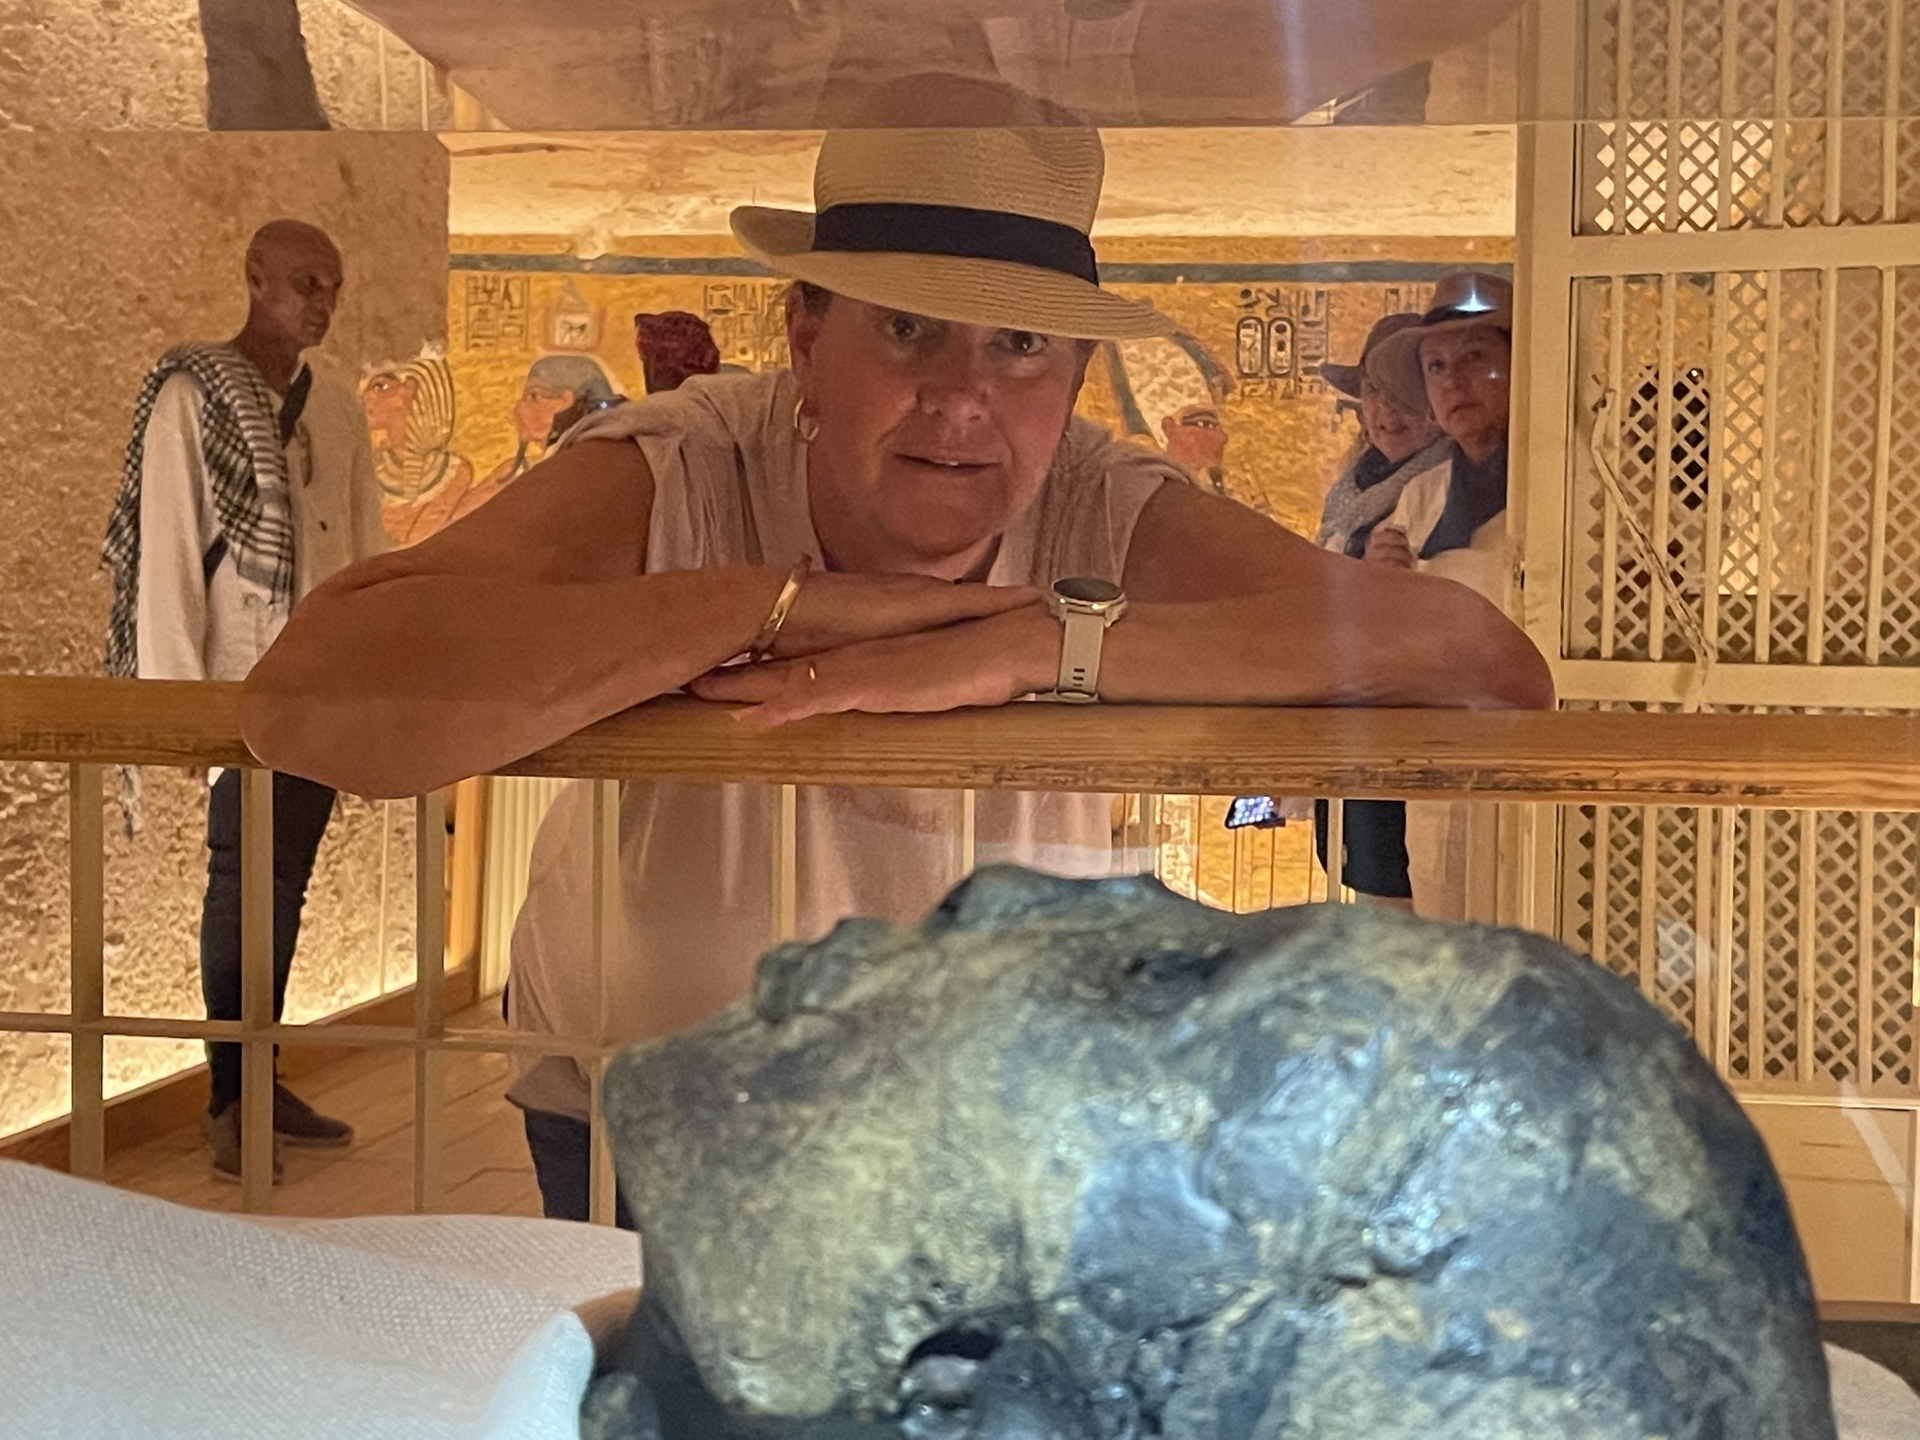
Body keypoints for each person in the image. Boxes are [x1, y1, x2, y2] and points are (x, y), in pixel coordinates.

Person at [238, 120, 1552, 1218]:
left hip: (985, 1125)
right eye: (911, 329)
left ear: (1074, 376)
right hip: (652, 1116)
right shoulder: (686, 466)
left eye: (1020, 344)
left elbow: (1480, 667)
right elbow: (313, 697)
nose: (963, 397)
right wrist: (766, 606)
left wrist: (1043, 644)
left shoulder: (1101, 504)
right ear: (807, 337)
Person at [101, 219, 384, 1182]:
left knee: (284, 884)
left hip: (321, 683)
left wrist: (370, 678)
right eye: (304, 282)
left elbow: (363, 554)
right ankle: (230, 1095)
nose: (320, 302)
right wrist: (179, 709)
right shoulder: (194, 397)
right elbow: (168, 555)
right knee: (241, 882)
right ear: (255, 278)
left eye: (333, 287)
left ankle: (260, 1073)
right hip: (237, 683)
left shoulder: (334, 408)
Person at [1363, 271, 1516, 919]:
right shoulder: (1419, 499)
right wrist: (1379, 584)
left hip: (1541, 757)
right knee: (1444, 927)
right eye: (1436, 367)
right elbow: (1385, 640)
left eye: (1475, 358)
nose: (1453, 382)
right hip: (1440, 762)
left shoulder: (1576, 482)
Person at [1307, 312, 1449, 908]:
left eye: (1404, 398)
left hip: (1407, 732)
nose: (1386, 413)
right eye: (1373, 392)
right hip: (1353, 727)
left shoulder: (1444, 485)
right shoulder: (1353, 488)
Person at [361, 349, 480, 547]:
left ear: (412, 390)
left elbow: (415, 545)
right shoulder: (369, 466)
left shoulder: (452, 471)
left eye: (380, 387)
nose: (366, 397)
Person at [479, 355, 619, 492]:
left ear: (567, 401)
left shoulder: (586, 471)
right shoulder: (520, 469)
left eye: (534, 396)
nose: (518, 409)